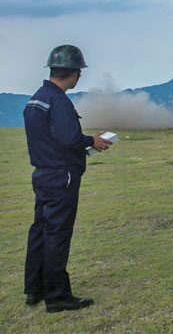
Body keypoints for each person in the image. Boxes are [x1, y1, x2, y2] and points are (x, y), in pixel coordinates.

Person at [23, 45, 111, 313]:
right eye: (79, 73)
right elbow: (68, 139)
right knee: (57, 235)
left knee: (40, 231)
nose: (79, 77)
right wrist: (92, 141)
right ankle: (58, 297)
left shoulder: (36, 99)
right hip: (62, 177)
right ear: (73, 73)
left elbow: (50, 139)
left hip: (43, 175)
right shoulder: (59, 101)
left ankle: (34, 289)